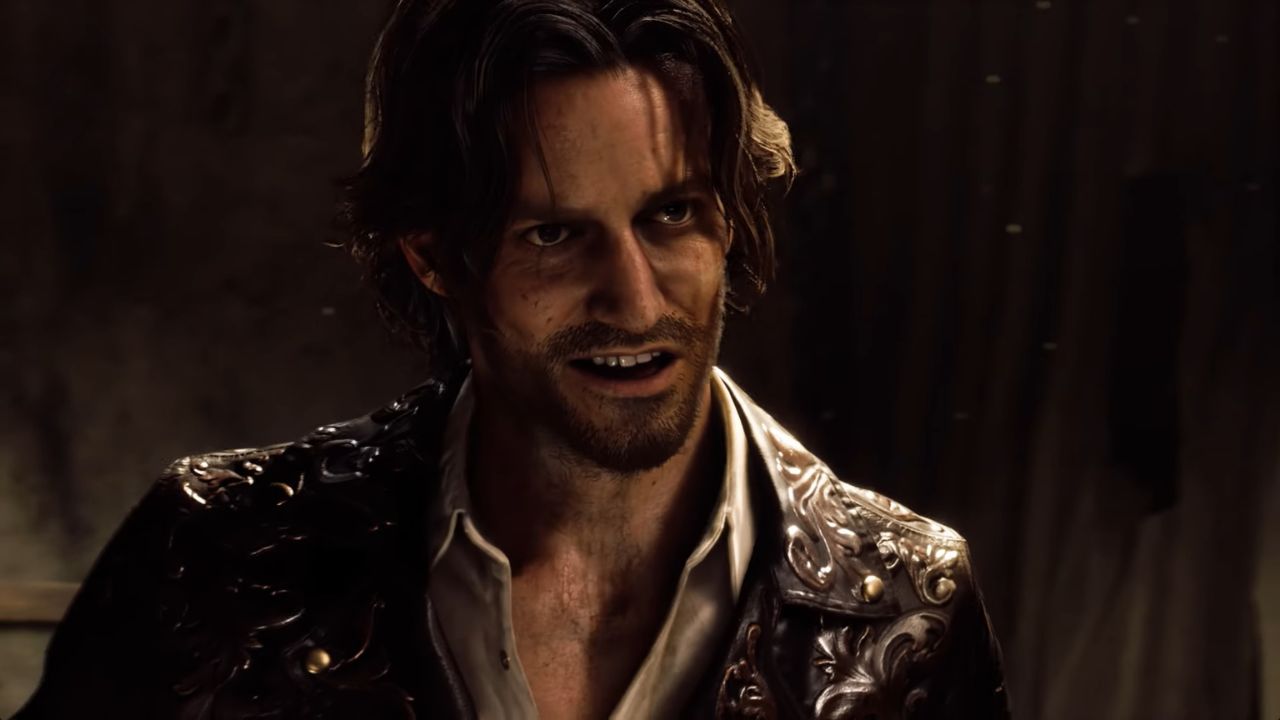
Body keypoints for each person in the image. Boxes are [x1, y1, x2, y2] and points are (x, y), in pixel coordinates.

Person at [17, 0, 1009, 717]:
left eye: (670, 215)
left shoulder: (906, 611)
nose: (635, 300)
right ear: (433, 255)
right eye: (554, 235)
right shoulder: (212, 556)